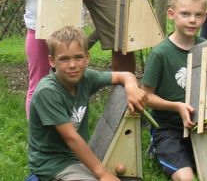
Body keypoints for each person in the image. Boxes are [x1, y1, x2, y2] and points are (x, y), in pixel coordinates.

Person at [27, 26, 146, 181]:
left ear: (87, 57)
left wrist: (131, 87)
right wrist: (102, 174)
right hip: (53, 164)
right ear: (51, 61)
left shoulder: (86, 78)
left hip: (78, 157)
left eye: (78, 57)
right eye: (64, 59)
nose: (72, 65)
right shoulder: (48, 92)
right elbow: (71, 138)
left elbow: (124, 75)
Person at [140, 0, 207, 181]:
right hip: (168, 128)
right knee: (186, 178)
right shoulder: (161, 53)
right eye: (185, 14)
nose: (192, 20)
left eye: (198, 15)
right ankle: (158, 146)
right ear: (172, 14)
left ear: (205, 17)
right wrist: (176, 106)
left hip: (200, 126)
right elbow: (146, 97)